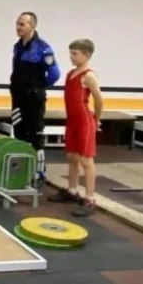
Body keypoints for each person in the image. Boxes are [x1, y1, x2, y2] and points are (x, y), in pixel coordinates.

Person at [49, 39, 102, 217]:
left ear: (86, 55)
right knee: (72, 157)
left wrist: (97, 120)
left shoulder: (89, 76)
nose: (71, 57)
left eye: (75, 54)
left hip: (85, 122)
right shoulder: (71, 73)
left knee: (86, 160)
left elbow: (99, 100)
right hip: (72, 121)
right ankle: (72, 191)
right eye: (71, 53)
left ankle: (90, 199)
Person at [10, 12, 60, 187]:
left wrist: (39, 87)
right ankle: (23, 170)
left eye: (22, 24)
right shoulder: (17, 47)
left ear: (32, 26)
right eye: (17, 23)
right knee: (19, 133)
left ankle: (39, 173)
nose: (18, 27)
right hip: (18, 98)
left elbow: (54, 73)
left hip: (34, 100)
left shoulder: (43, 48)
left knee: (35, 135)